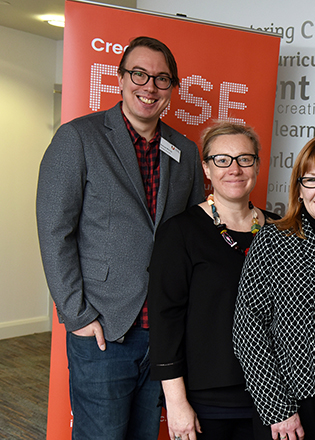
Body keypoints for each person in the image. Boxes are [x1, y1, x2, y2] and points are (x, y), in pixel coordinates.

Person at [36, 36, 204, 439]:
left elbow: (195, 233)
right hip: (104, 331)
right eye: (140, 74)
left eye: (162, 79)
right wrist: (77, 316)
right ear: (121, 78)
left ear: (172, 88)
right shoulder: (78, 137)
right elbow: (54, 230)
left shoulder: (184, 150)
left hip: (162, 335)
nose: (150, 87)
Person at [148, 121, 279, 440]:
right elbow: (165, 322)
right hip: (206, 400)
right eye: (222, 160)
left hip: (272, 400)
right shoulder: (180, 232)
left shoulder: (279, 229)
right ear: (206, 168)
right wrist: (176, 403)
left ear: (257, 166)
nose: (234, 169)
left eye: (244, 159)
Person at [233, 136, 315, 440]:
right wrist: (278, 409)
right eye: (312, 180)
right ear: (299, 188)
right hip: (291, 403)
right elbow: (248, 330)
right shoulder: (272, 240)